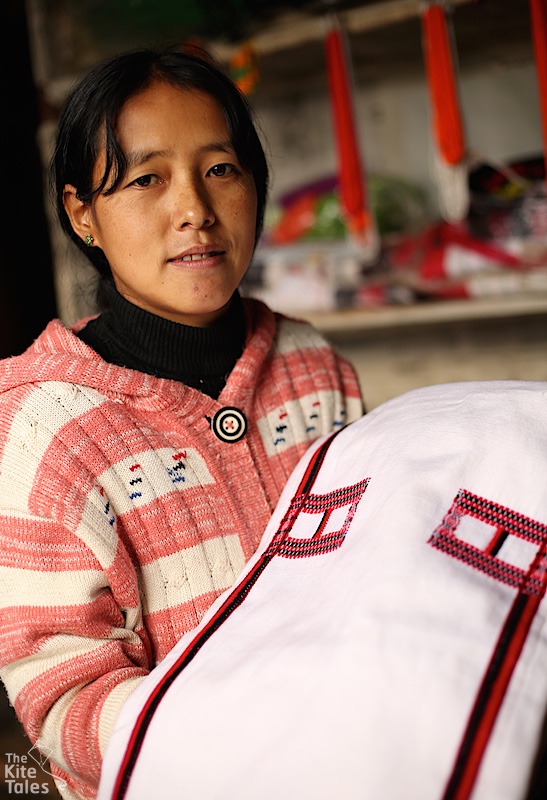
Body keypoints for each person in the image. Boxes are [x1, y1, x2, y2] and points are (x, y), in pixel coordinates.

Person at [0, 46, 363, 800]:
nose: (194, 208)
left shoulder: (312, 366)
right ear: (81, 214)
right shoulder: (44, 430)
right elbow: (64, 698)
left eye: (221, 169)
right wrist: (241, 733)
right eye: (146, 179)